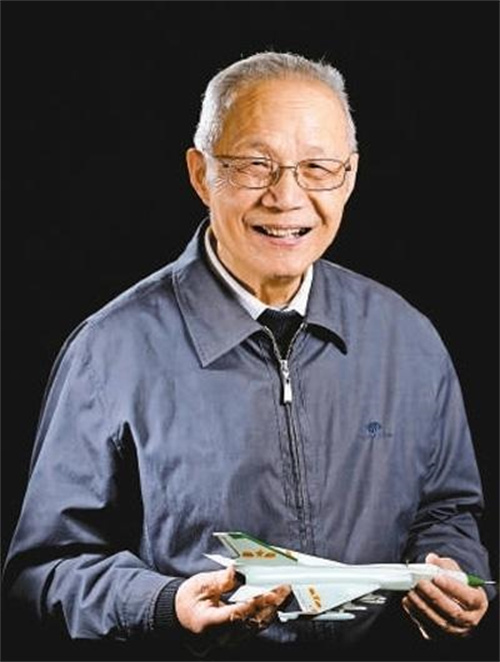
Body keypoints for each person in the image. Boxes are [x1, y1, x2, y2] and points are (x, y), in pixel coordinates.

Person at [4, 51, 495, 660]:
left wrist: (455, 571)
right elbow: (44, 571)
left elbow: (447, 509)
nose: (286, 197)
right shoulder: (108, 352)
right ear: (200, 173)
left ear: (349, 176)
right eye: (255, 165)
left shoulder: (408, 338)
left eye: (317, 167)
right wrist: (165, 605)